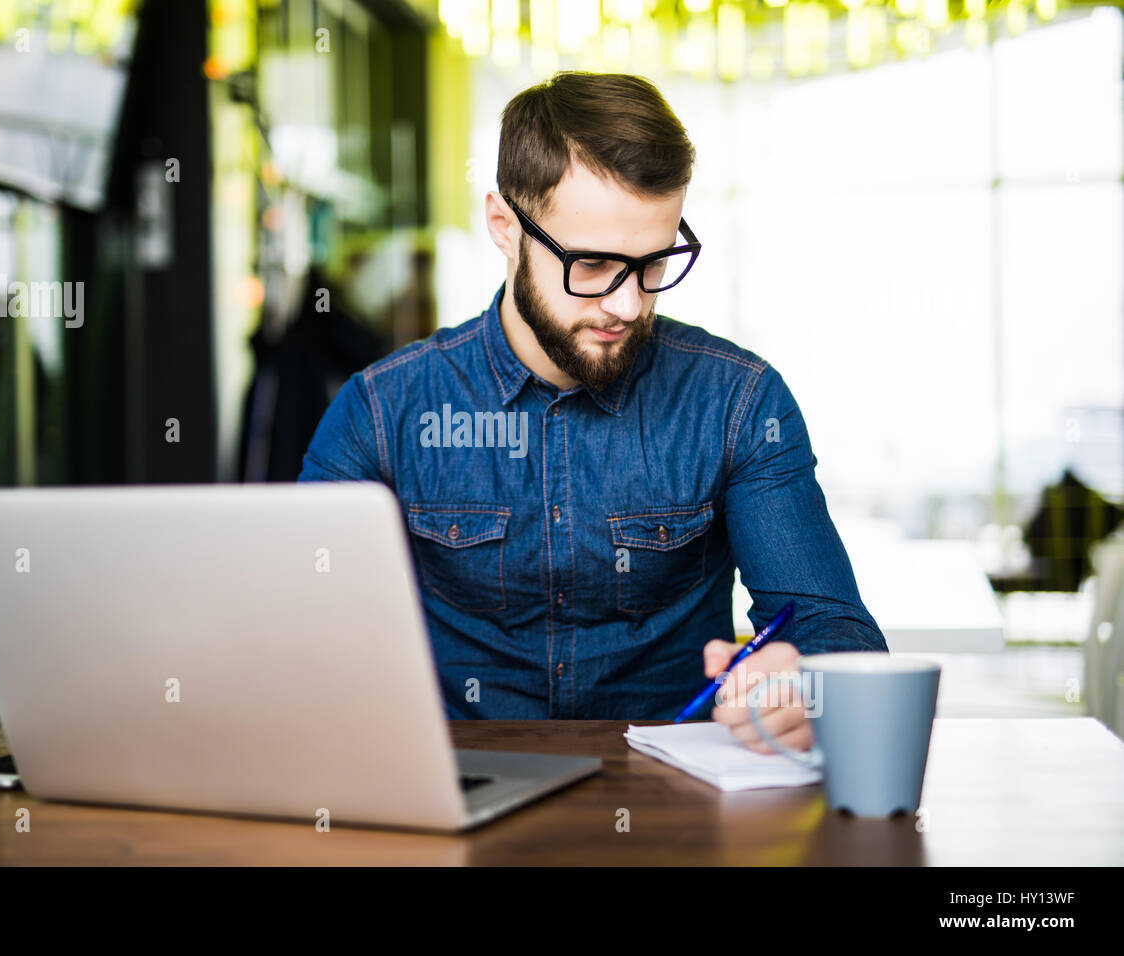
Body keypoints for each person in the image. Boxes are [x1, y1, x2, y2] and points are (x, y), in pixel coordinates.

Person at [299, 71, 886, 752]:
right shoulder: (382, 412)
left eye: (654, 263)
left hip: (677, 812)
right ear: (504, 226)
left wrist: (803, 680)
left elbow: (840, 639)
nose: (628, 304)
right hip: (454, 808)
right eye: (595, 264)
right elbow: (299, 640)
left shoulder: (739, 403)